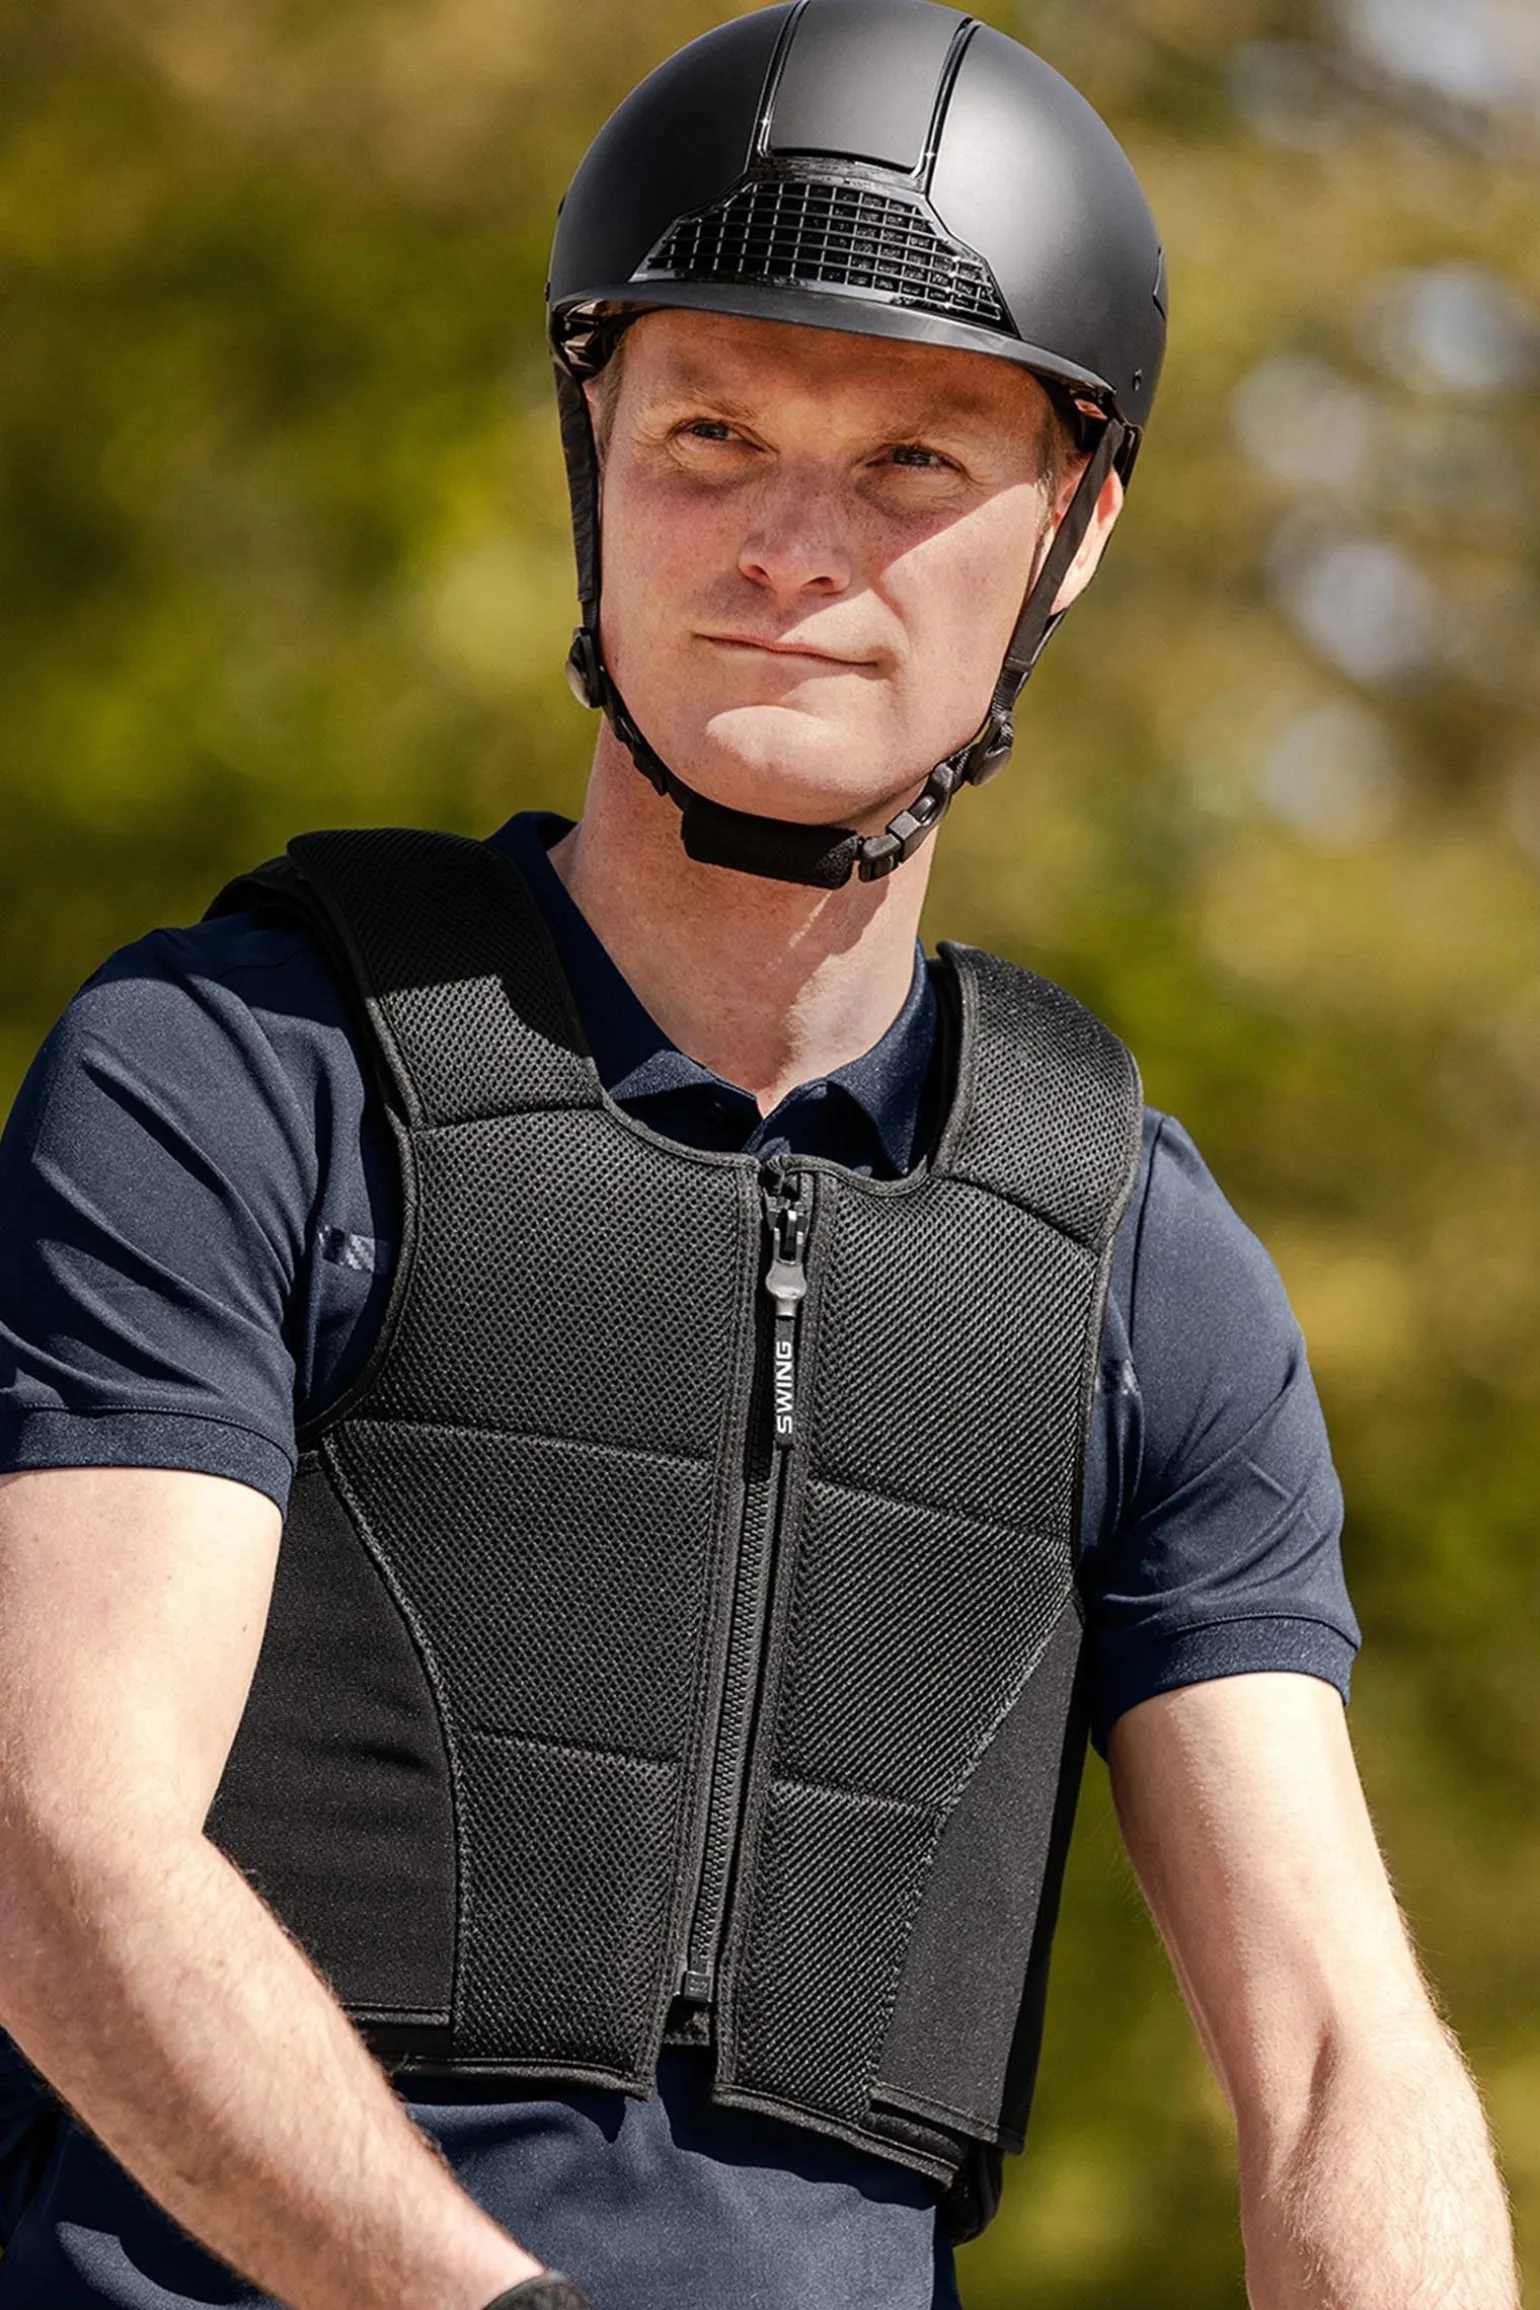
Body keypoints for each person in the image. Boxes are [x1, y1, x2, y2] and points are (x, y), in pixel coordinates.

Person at [0, 4, 1518, 2308]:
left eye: (910, 463)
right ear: (593, 451)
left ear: (1072, 534)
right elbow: (55, 1845)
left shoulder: (1132, 1258)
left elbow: (1333, 2065)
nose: (789, 547)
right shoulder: (237, 1074)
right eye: (709, 432)